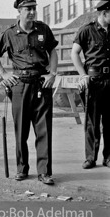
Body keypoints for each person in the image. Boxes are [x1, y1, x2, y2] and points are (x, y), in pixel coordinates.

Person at [0, 0, 58, 185]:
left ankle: (44, 172)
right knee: (21, 130)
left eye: (34, 8)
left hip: (41, 83)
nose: (32, 12)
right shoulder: (10, 33)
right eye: (28, 9)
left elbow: (52, 50)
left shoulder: (43, 30)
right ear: (19, 11)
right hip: (19, 85)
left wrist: (53, 73)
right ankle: (22, 169)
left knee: (44, 129)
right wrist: (3, 74)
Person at [71, 0, 110, 169]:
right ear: (104, 13)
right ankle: (90, 158)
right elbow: (75, 53)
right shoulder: (87, 30)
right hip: (94, 82)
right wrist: (83, 75)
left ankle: (108, 158)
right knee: (92, 122)